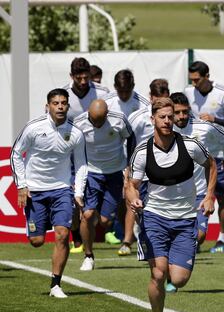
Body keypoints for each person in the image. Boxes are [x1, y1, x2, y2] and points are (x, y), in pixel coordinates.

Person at [126, 97, 216, 312]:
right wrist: (133, 198)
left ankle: (167, 287)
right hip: (154, 217)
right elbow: (131, 184)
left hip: (186, 219)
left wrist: (209, 196)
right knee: (158, 272)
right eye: (162, 117)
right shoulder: (142, 152)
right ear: (152, 119)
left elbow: (212, 164)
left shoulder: (190, 145)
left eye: (170, 116)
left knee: (178, 279)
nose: (167, 121)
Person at [10, 88, 88, 298]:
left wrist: (78, 192)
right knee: (37, 241)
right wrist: (21, 185)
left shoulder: (76, 133)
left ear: (68, 106)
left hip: (62, 190)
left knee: (63, 235)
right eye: (56, 103)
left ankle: (56, 285)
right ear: (48, 106)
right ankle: (37, 225)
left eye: (64, 103)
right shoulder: (34, 128)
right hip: (35, 190)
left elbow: (81, 164)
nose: (60, 106)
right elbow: (16, 153)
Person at [184, 61, 224, 253]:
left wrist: (216, 119)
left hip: (219, 154)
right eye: (191, 80)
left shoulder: (223, 93)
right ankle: (194, 236)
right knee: (193, 196)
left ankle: (223, 238)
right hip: (196, 154)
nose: (194, 84)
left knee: (222, 198)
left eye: (197, 80)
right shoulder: (188, 93)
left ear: (207, 76)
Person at [73, 100, 132, 271]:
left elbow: (131, 138)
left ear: (107, 115)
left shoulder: (119, 119)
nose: (96, 124)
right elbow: (72, 149)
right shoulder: (79, 123)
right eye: (93, 120)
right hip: (90, 172)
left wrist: (129, 166)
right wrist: (73, 176)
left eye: (100, 120)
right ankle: (88, 256)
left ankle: (98, 215)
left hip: (115, 172)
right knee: (88, 215)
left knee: (105, 221)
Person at [171, 92, 224, 252]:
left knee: (199, 236)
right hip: (174, 193)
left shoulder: (204, 127)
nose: (182, 116)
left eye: (185, 111)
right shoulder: (164, 130)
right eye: (177, 112)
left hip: (200, 192)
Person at [118, 78, 170, 257]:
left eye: (164, 97)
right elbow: (130, 143)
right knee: (134, 203)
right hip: (142, 168)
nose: (160, 102)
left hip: (166, 168)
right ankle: (127, 241)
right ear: (151, 97)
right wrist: (129, 168)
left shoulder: (172, 116)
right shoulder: (138, 117)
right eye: (157, 98)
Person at [64, 57, 109, 252]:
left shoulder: (103, 93)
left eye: (86, 78)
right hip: (72, 156)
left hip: (98, 155)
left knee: (98, 210)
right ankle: (76, 233)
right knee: (74, 197)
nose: (83, 82)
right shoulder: (63, 95)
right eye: (79, 78)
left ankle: (89, 226)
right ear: (71, 76)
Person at [102, 69, 150, 245]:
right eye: (120, 91)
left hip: (133, 157)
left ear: (133, 87)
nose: (123, 95)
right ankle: (120, 232)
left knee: (130, 195)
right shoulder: (106, 102)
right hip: (110, 157)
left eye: (127, 91)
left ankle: (128, 237)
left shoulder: (143, 104)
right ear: (115, 87)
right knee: (118, 199)